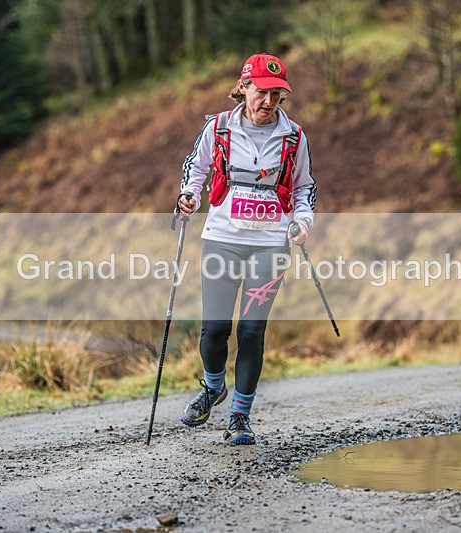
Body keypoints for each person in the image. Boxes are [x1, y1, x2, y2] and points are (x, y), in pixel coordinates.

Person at [176, 53, 317, 445]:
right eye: (261, 91)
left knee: (252, 332)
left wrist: (302, 223)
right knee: (216, 329)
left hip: (271, 244)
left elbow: (305, 187)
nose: (269, 101)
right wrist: (188, 197)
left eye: (277, 94)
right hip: (221, 237)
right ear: (244, 88)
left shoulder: (294, 137)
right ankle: (213, 386)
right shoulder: (218, 127)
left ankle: (239, 416)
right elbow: (197, 168)